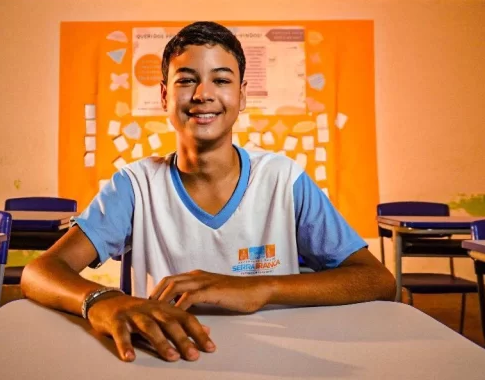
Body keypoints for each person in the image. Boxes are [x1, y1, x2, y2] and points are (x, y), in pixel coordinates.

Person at [21, 21, 395, 363]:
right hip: (166, 361)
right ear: (164, 96)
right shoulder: (134, 185)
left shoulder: (284, 179)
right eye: (187, 80)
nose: (203, 94)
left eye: (221, 80)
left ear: (242, 95)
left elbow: (376, 279)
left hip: (276, 361)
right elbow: (40, 272)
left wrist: (261, 288)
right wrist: (101, 300)